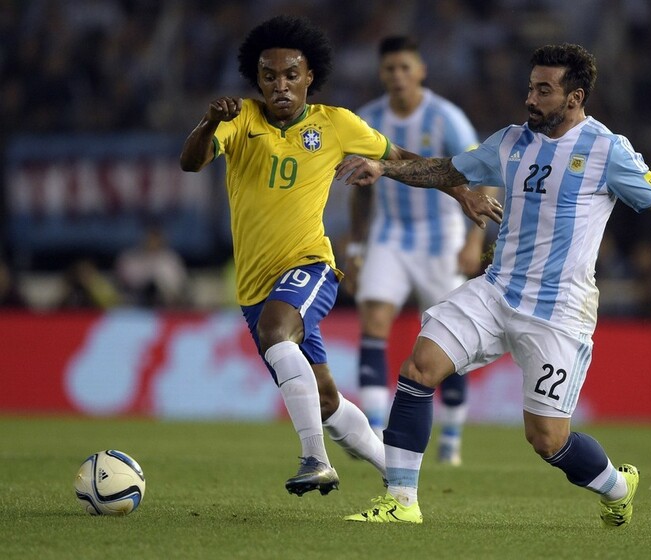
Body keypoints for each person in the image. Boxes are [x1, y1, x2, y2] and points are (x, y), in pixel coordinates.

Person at [336, 43, 651, 524]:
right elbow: (447, 168)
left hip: (558, 312)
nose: (530, 99)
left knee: (547, 439)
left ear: (575, 97)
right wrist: (385, 168)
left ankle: (618, 487)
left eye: (544, 90)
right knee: (419, 367)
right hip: (496, 290)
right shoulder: (511, 141)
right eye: (531, 87)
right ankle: (402, 501)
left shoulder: (606, 150)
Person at [179, 16, 502, 497]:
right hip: (254, 285)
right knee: (325, 400)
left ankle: (315, 460)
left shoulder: (335, 123)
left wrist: (463, 194)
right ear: (257, 80)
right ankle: (394, 473)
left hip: (309, 265)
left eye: (291, 75)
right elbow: (191, 162)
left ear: (309, 77)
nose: (281, 85)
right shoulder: (239, 119)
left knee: (276, 332)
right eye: (269, 76)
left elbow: (403, 158)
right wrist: (209, 121)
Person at [344, 35, 496, 465]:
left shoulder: (447, 117)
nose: (398, 76)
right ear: (381, 73)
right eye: (390, 69)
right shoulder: (368, 119)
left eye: (405, 68)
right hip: (389, 235)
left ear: (421, 71)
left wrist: (474, 240)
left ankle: (452, 438)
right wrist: (355, 246)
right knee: (374, 320)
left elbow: (483, 173)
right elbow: (361, 191)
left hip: (441, 237)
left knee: (450, 338)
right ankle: (375, 432)